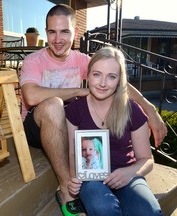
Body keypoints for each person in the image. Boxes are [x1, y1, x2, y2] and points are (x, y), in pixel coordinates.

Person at [20, 4, 167, 215]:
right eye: (52, 32)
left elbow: (114, 77)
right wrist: (79, 91)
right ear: (46, 33)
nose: (58, 39)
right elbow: (31, 96)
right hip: (37, 124)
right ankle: (66, 190)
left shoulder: (81, 60)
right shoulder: (34, 60)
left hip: (69, 124)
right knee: (54, 105)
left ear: (75, 32)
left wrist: (150, 109)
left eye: (65, 31)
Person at [66, 46, 162, 215]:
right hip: (91, 177)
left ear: (119, 80)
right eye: (97, 74)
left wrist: (130, 172)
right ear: (87, 75)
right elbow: (74, 154)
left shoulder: (132, 109)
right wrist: (75, 178)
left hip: (128, 174)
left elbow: (147, 159)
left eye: (111, 77)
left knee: (148, 210)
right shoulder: (75, 109)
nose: (103, 83)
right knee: (103, 207)